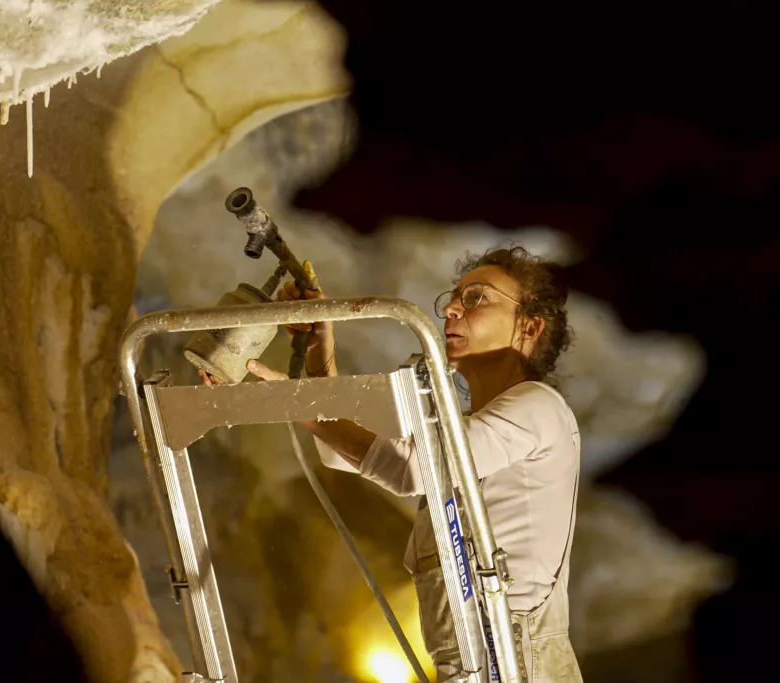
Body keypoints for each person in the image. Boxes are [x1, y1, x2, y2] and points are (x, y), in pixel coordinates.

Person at [204, 245, 584, 682]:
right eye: (454, 298)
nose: (453, 310)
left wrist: (295, 403)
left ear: (530, 326)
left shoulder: (538, 407)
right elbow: (350, 452)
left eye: (477, 298)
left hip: (517, 662)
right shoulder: (468, 430)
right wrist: (318, 351)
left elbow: (409, 469)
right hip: (475, 657)